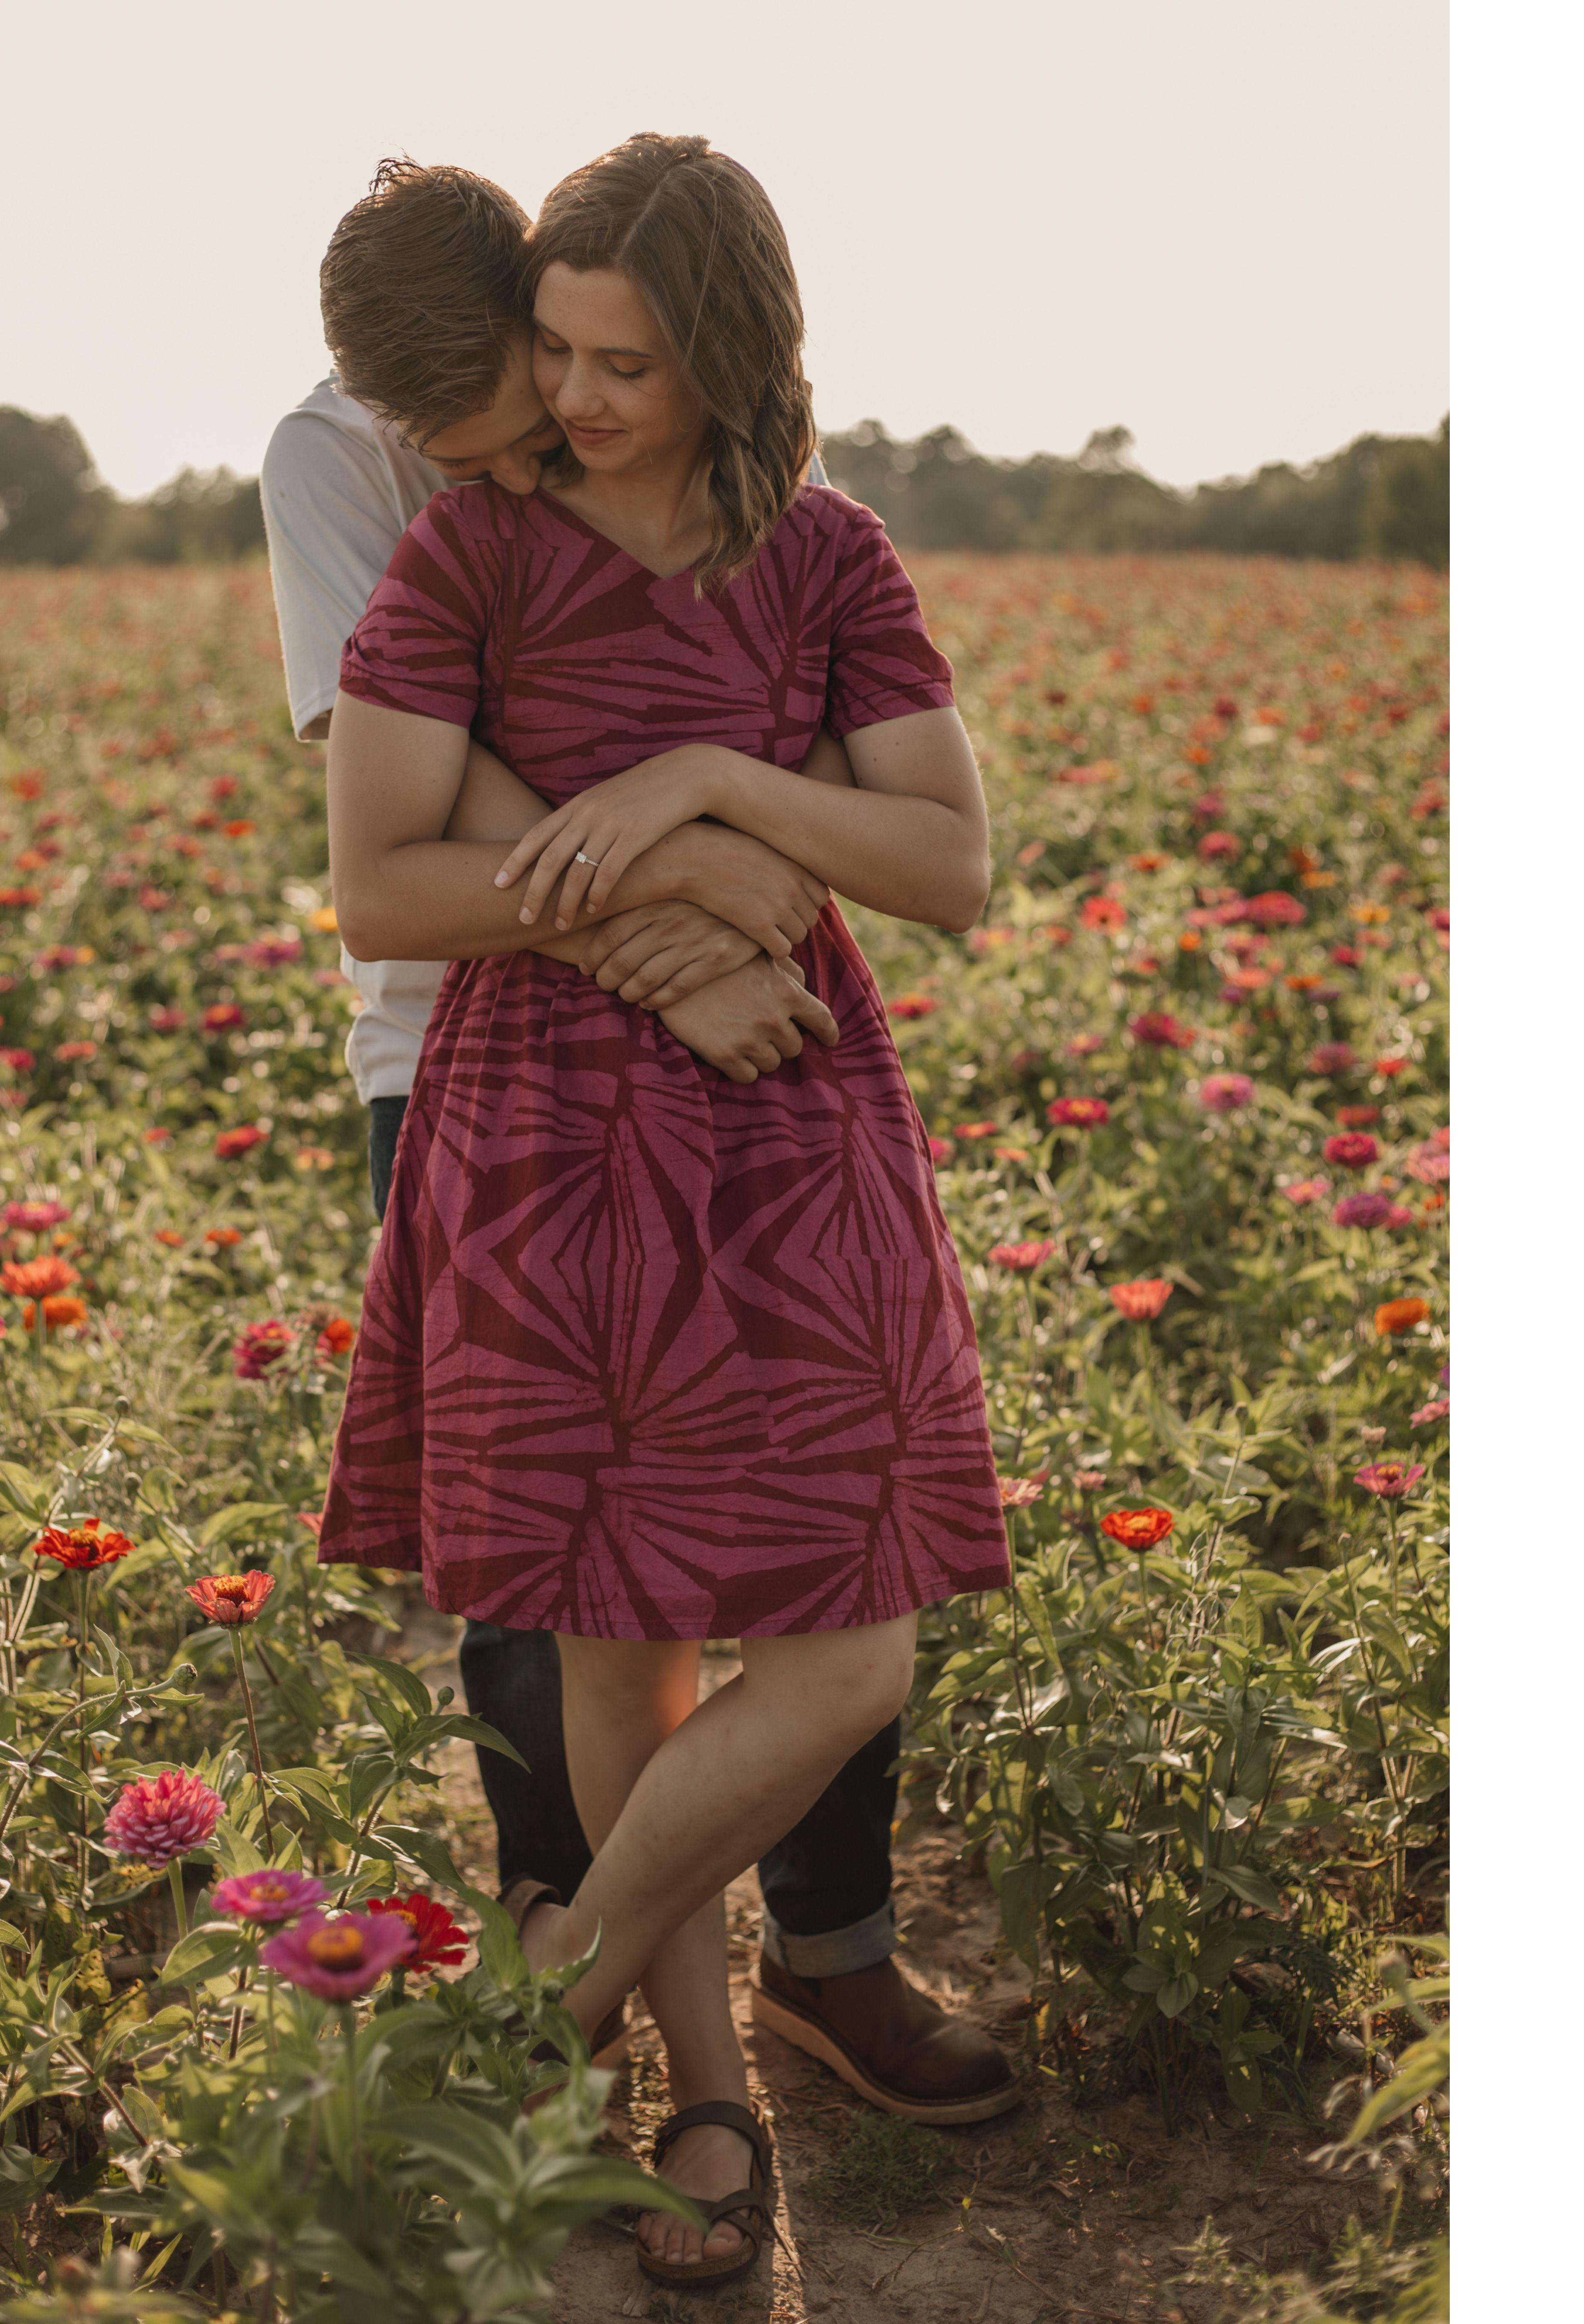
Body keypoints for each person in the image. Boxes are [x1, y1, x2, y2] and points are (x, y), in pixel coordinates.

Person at [262, 152, 1020, 2163]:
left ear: (726, 357)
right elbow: (381, 876)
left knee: (849, 1633)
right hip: (539, 1109)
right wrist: (678, 881)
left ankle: (567, 1999)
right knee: (604, 1632)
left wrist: (706, 779)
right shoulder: (435, 533)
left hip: (789, 1102)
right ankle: (704, 2095)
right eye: (555, 362)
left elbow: (948, 860)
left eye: (620, 365)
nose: (573, 407)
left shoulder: (827, 547)